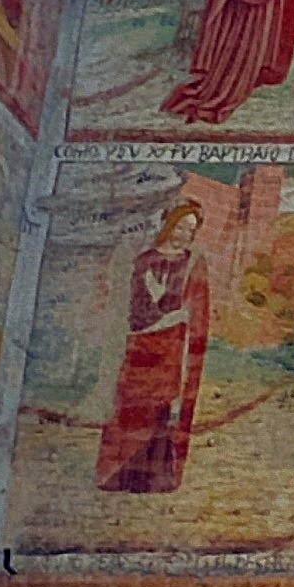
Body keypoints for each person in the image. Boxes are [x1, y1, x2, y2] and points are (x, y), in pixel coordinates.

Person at [96, 199, 211, 492]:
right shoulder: (145, 261)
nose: (186, 233)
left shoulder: (191, 264)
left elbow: (196, 312)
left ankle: (156, 477)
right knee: (134, 407)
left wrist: (178, 318)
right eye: (182, 226)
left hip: (172, 349)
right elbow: (138, 313)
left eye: (191, 229)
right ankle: (121, 475)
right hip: (143, 346)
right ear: (169, 224)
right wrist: (171, 313)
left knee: (162, 409)